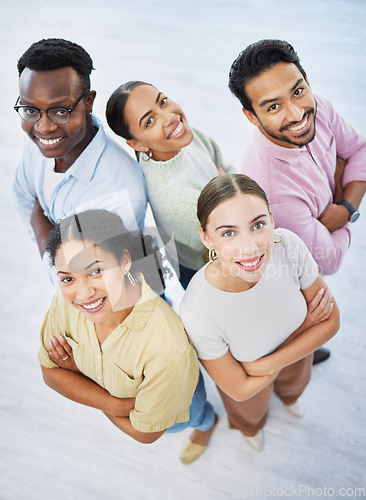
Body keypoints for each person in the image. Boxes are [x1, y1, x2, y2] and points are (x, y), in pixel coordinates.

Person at [38, 209, 217, 464]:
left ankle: (207, 425)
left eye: (95, 271)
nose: (83, 293)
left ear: (124, 262)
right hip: (132, 407)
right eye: (67, 278)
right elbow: (49, 374)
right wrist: (116, 405)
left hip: (181, 403)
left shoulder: (168, 348)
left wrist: (79, 376)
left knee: (192, 418)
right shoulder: (64, 300)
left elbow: (146, 434)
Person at [180, 174, 340, 451]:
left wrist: (263, 366)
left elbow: (332, 322)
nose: (250, 248)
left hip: (294, 361)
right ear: (206, 238)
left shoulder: (287, 244)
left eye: (258, 225)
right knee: (249, 415)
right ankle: (250, 429)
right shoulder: (197, 309)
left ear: (272, 219)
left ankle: (289, 398)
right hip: (267, 376)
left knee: (294, 386)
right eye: (228, 232)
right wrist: (306, 326)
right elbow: (238, 389)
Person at [228, 39, 366, 277]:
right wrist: (345, 189)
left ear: (306, 80)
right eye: (273, 107)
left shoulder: (318, 105)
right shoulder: (274, 197)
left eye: (297, 91)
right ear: (251, 116)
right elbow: (329, 260)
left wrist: (345, 208)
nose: (297, 114)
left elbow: (361, 149)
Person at [13, 39, 147, 281]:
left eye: (60, 111)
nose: (44, 127)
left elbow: (74, 278)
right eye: (31, 110)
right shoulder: (38, 140)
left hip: (123, 308)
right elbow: (22, 196)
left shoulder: (117, 190)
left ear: (88, 103)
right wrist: (55, 246)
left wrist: (38, 216)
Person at [106, 81, 236, 289]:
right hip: (209, 272)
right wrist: (229, 187)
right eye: (149, 121)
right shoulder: (173, 196)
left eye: (163, 102)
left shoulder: (179, 136)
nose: (169, 117)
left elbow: (225, 166)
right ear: (137, 144)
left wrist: (227, 191)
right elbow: (233, 239)